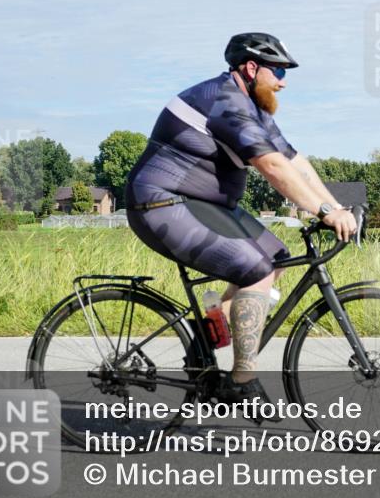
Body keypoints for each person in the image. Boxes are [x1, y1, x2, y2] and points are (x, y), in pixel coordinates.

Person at [125, 32, 357, 414]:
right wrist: (324, 213)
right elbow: (272, 167)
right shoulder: (225, 102)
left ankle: (209, 337)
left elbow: (294, 161)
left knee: (276, 258)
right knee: (256, 270)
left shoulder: (255, 108)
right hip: (161, 204)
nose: (284, 81)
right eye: (279, 70)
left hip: (202, 204)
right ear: (251, 68)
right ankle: (242, 383)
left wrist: (333, 205)